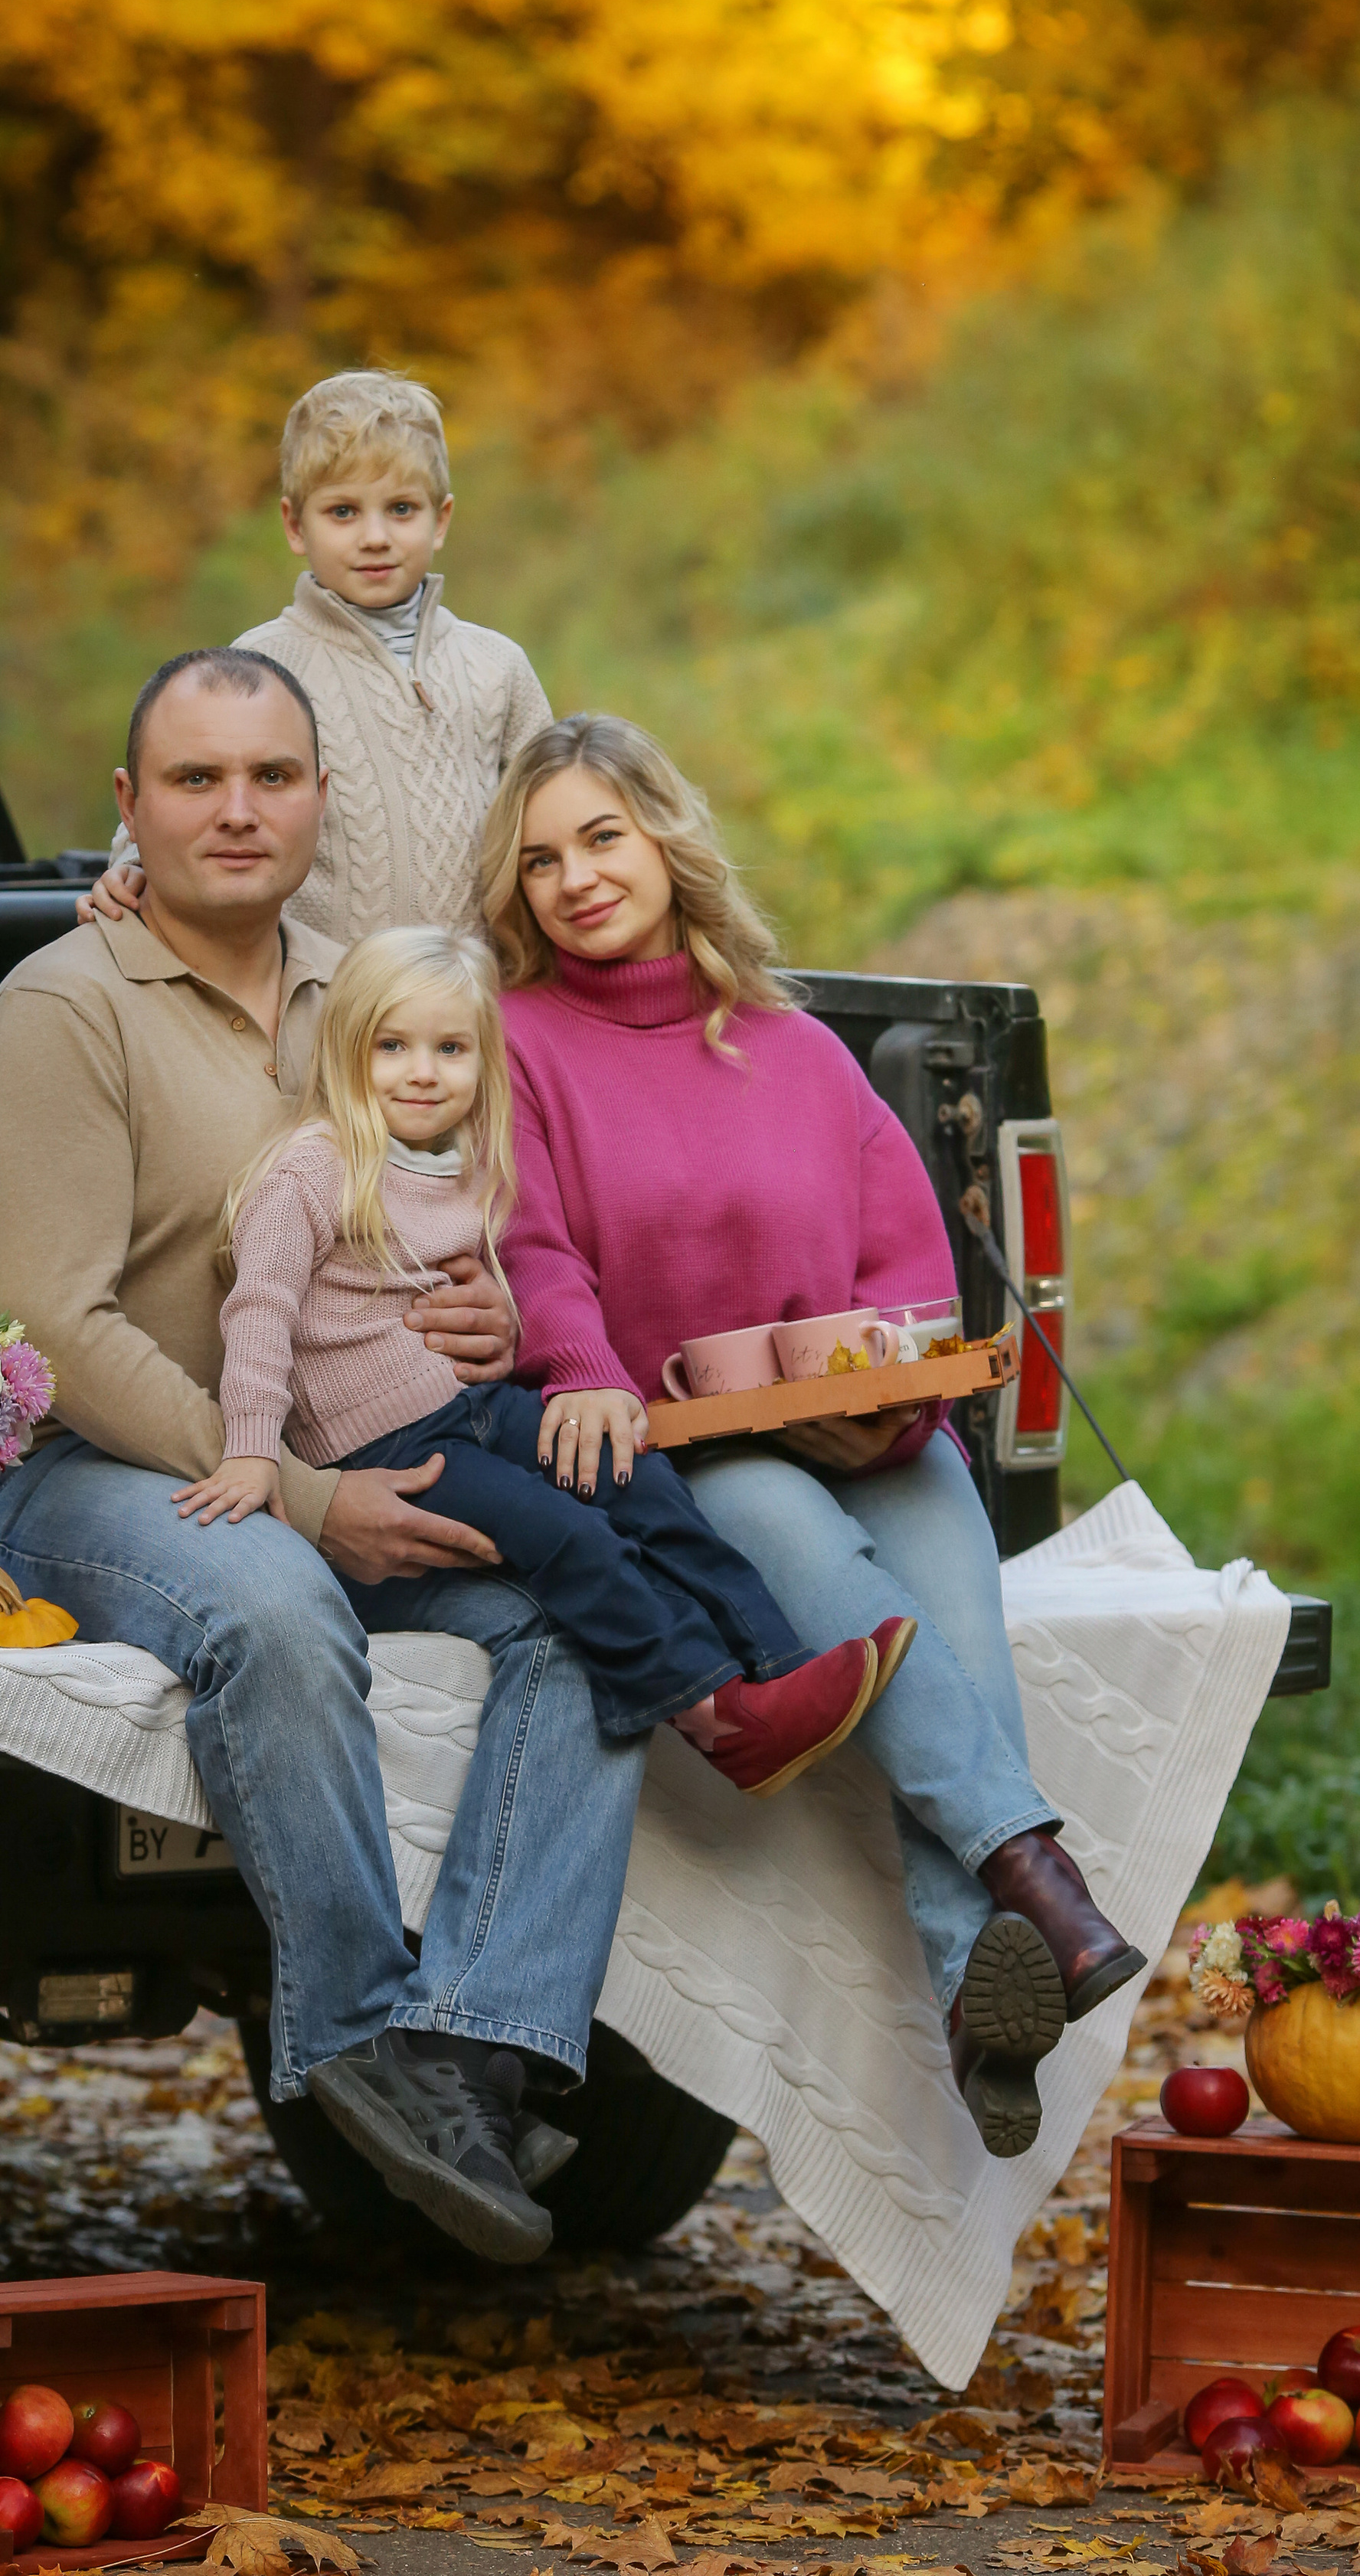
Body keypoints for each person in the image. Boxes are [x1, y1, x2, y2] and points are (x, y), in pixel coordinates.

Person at [0, 646, 649, 2264]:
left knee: (577, 1609)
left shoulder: (375, 1001)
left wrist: (481, 1320)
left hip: (367, 1448)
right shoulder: (62, 1008)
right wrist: (301, 1495)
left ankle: (476, 2049)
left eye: (272, 775)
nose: (237, 809)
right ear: (127, 808)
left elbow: (463, 1221)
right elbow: (49, 1321)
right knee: (271, 1603)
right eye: (194, 780)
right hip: (99, 1482)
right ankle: (350, 2039)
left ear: (320, 800)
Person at [479, 712, 1148, 2162]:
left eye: (602, 837)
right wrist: (585, 1374)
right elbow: (533, 1253)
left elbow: (904, 1264)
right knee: (811, 1557)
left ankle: (983, 1978)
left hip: (859, 1427)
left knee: (943, 1602)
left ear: (666, 836)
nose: (577, 879)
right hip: (681, 1447)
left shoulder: (791, 1045)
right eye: (541, 862)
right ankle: (1038, 1877)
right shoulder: (517, 1042)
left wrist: (889, 1397)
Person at [178, 920, 910, 1790]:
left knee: (632, 1475)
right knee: (563, 1531)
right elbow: (258, 1311)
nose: (422, 1071)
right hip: (389, 1449)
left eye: (450, 1049)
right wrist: (254, 1451)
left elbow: (503, 1295)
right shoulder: (312, 1171)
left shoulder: (469, 1170)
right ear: (346, 1053)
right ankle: (717, 1720)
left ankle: (778, 1667)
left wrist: (513, 1332)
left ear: (482, 1063)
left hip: (474, 1411)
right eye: (393, 1046)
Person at [83, 370, 552, 943]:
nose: (375, 536)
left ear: (441, 520)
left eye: (402, 509)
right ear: (295, 525)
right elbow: (176, 797)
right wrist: (130, 866)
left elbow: (555, 816)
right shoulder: (260, 668)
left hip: (474, 1003)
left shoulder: (496, 666)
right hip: (315, 1001)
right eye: (344, 512)